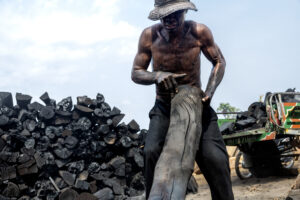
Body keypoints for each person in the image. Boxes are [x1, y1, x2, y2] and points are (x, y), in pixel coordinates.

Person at [131, 0, 234, 199]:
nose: (169, 19)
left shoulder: (199, 31)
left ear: (185, 10)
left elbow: (219, 61)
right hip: (164, 107)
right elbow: (136, 73)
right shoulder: (149, 36)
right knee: (151, 151)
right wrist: (157, 75)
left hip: (197, 106)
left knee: (216, 159)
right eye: (165, 15)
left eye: (175, 14)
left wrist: (210, 92)